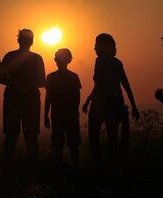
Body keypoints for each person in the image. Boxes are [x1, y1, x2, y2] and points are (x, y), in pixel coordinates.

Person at [82, 33, 140, 167]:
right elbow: (125, 84)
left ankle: (101, 167)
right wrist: (134, 106)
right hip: (115, 103)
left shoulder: (100, 61)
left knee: (94, 137)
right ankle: (115, 167)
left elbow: (100, 84)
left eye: (96, 45)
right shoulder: (117, 63)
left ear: (103, 46)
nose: (94, 48)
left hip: (102, 104)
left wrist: (89, 100)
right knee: (112, 138)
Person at [0, 29, 45, 161]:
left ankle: (8, 167)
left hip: (13, 98)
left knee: (11, 135)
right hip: (30, 99)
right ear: (32, 41)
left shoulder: (9, 56)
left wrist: (15, 84)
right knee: (30, 136)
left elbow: (0, 78)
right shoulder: (37, 58)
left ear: (18, 40)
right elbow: (42, 81)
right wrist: (27, 86)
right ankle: (32, 167)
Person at [44, 48, 81, 168]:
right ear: (69, 60)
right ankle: (74, 171)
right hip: (69, 115)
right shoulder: (74, 77)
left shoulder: (51, 77)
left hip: (59, 115)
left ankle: (58, 170)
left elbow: (48, 98)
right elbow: (77, 99)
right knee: (72, 145)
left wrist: (45, 115)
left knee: (59, 145)